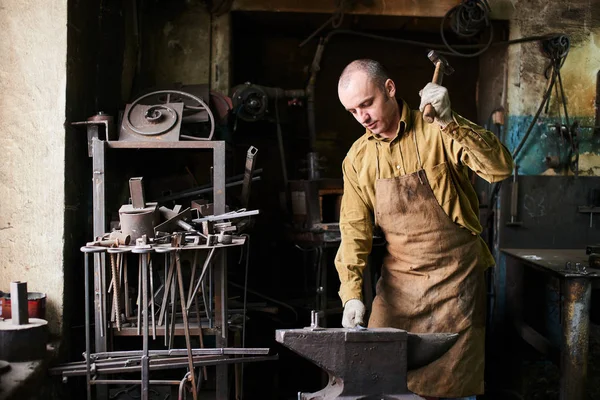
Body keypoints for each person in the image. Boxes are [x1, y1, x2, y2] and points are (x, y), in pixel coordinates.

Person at [334, 59, 513, 400]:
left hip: (455, 285)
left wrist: (451, 123)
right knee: (380, 380)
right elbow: (353, 231)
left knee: (454, 389)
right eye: (353, 111)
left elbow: (500, 169)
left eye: (367, 104)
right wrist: (352, 294)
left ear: (389, 88)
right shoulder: (357, 158)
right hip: (399, 290)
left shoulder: (438, 130)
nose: (363, 117)